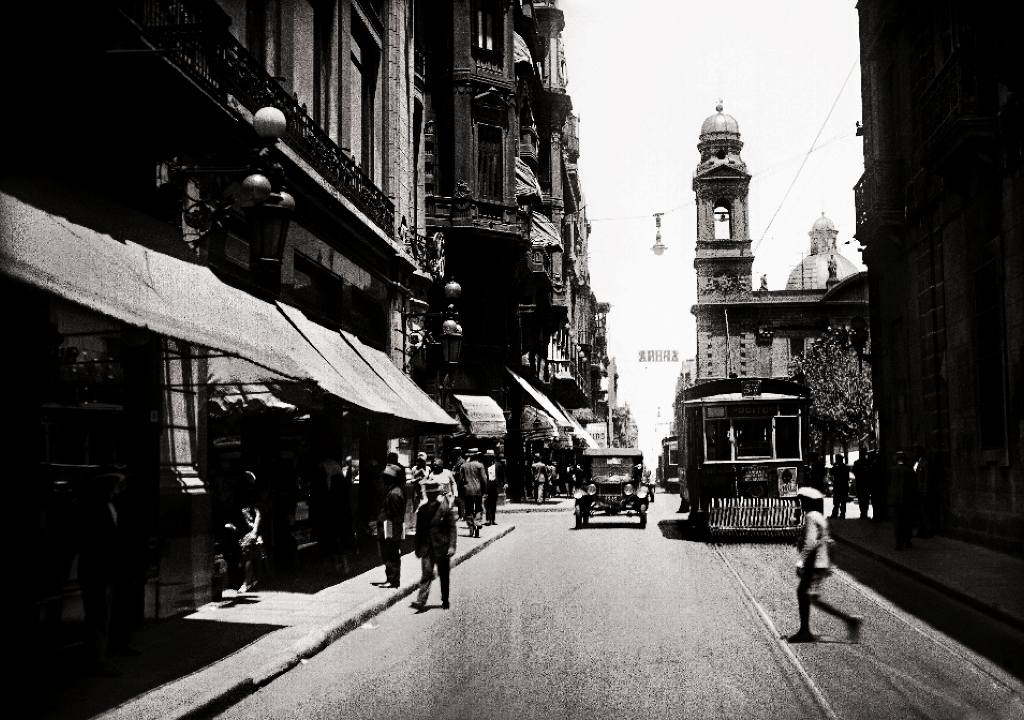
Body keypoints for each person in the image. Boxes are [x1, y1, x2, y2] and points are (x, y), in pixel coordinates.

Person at [788, 486, 862, 644]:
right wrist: (829, 563)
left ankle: (805, 632)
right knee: (812, 597)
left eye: (802, 500)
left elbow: (811, 542)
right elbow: (829, 541)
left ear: (808, 502)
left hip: (813, 563)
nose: (800, 503)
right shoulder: (820, 517)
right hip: (821, 562)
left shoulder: (810, 516)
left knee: (803, 593)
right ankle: (849, 620)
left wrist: (801, 561)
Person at [77, 471, 127, 676]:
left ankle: (97, 658)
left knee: (99, 617)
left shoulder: (104, 505)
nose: (116, 490)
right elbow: (98, 541)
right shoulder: (95, 507)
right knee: (98, 618)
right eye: (114, 486)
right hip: (98, 570)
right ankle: (96, 661)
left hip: (100, 570)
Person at [410, 472, 457, 612]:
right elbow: (419, 531)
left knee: (444, 575)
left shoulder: (444, 509)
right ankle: (421, 600)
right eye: (428, 492)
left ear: (437, 493)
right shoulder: (422, 510)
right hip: (427, 548)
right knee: (426, 574)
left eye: (433, 492)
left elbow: (452, 528)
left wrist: (452, 546)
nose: (430, 494)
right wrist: (417, 548)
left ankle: (445, 599)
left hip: (442, 548)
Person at [376, 452, 407, 588]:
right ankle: (391, 578)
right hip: (389, 525)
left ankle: (392, 580)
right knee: (388, 552)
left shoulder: (394, 494)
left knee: (390, 553)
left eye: (385, 477)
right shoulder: (393, 491)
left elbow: (395, 516)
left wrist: (394, 535)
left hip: (390, 526)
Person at [231, 471, 265, 593]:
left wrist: (255, 531)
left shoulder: (252, 496)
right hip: (244, 528)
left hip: (249, 530)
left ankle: (247, 582)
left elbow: (258, 514)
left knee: (247, 556)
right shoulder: (241, 494)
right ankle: (254, 579)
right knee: (250, 555)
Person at [887, 450, 918, 550]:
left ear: (896, 460)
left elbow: (886, 484)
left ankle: (899, 542)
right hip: (907, 500)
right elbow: (914, 487)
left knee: (897, 522)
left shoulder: (891, 471)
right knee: (907, 521)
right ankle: (907, 540)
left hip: (895, 501)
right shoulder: (910, 471)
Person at [459, 448, 487, 538]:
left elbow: (461, 480)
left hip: (467, 490)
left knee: (468, 510)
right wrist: (485, 490)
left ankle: (471, 527)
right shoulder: (480, 465)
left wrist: (460, 491)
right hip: (477, 490)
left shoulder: (463, 466)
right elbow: (484, 479)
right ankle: (477, 523)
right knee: (478, 508)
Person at [912, 443, 935, 538]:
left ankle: (928, 531)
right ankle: (921, 529)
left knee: (925, 511)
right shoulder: (916, 463)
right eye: (914, 452)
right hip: (917, 491)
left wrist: (925, 490)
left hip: (922, 490)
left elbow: (927, 478)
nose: (915, 454)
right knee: (919, 512)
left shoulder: (925, 463)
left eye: (917, 452)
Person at [407, 452, 429, 535]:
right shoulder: (414, 468)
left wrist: (422, 471)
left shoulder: (427, 468)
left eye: (424, 461)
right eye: (421, 461)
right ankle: (416, 526)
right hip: (416, 491)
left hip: (424, 491)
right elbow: (412, 479)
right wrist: (417, 479)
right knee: (416, 508)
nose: (422, 463)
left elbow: (428, 477)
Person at [852, 447, 872, 520]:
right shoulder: (868, 462)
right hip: (866, 483)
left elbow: (854, 472)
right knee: (865, 499)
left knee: (861, 499)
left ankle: (862, 513)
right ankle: (864, 513)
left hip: (859, 483)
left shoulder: (856, 463)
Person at [829, 454, 850, 519]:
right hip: (844, 486)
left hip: (838, 486)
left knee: (836, 501)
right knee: (843, 501)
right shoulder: (845, 467)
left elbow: (831, 472)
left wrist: (834, 466)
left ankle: (835, 514)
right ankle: (842, 514)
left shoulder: (837, 467)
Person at [482, 449, 499, 526]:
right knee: (487, 503)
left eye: (491, 457)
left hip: (494, 485)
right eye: (488, 457)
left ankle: (493, 519)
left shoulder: (498, 465)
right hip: (487, 486)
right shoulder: (484, 466)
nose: (490, 458)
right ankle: (488, 519)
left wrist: (505, 483)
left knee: (494, 503)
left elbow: (503, 474)